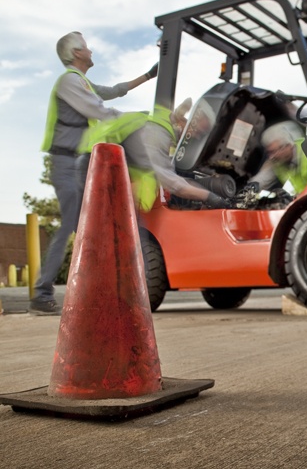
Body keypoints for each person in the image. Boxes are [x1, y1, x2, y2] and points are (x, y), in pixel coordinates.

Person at [30, 31, 158, 316]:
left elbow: (113, 90)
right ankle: (41, 294)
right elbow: (99, 110)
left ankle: (99, 291)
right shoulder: (69, 82)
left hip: (77, 163)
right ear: (77, 54)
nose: (91, 51)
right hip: (64, 163)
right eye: (86, 47)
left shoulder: (82, 82)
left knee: (88, 228)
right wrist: (138, 120)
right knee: (74, 227)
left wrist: (148, 76)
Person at [77, 98, 229, 211]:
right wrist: (210, 197)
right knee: (104, 232)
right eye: (196, 131)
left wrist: (206, 190)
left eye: (199, 135)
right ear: (183, 121)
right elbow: (174, 183)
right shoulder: (157, 134)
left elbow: (175, 177)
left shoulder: (164, 129)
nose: (195, 137)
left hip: (107, 173)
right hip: (94, 170)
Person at [244, 122, 307, 196]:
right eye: (269, 153)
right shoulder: (278, 162)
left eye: (273, 152)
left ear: (288, 146)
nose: (271, 157)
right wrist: (250, 188)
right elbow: (262, 179)